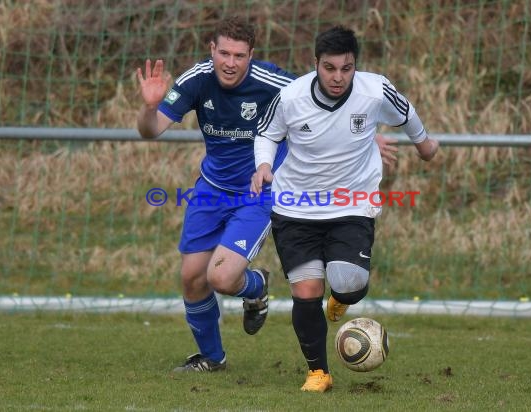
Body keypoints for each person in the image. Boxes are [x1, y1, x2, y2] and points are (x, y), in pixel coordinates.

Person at [137, 17, 397, 374]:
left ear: (251, 56)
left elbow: (328, 98)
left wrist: (366, 137)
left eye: (239, 55)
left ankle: (256, 286)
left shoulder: (274, 82)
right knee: (192, 278)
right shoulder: (196, 80)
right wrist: (150, 107)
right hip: (211, 190)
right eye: (224, 53)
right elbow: (150, 131)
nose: (230, 63)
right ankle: (213, 358)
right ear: (212, 50)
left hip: (260, 191)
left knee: (222, 278)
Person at [251, 26, 439, 392]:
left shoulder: (374, 90)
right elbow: (267, 133)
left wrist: (425, 144)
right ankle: (318, 372)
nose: (338, 77)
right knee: (305, 292)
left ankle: (341, 299)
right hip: (297, 206)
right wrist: (263, 165)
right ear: (315, 65)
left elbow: (405, 111)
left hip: (352, 202)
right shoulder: (290, 97)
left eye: (346, 68)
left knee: (350, 284)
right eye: (330, 68)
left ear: (356, 66)